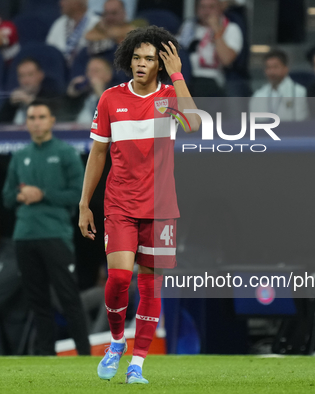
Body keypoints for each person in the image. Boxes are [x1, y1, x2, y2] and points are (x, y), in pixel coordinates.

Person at [78, 25, 200, 384]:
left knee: (149, 288)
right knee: (117, 278)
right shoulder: (110, 99)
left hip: (161, 207)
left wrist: (178, 75)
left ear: (160, 64)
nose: (141, 64)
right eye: (136, 57)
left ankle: (138, 364)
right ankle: (117, 342)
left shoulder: (169, 97)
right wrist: (85, 203)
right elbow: (98, 153)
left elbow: (193, 123)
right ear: (128, 59)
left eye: (149, 58)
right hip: (119, 204)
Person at [2, 99, 90, 356]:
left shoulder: (65, 153)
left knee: (68, 297)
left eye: (41, 117)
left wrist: (42, 194)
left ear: (52, 120)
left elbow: (78, 194)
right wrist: (21, 195)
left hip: (55, 234)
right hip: (24, 235)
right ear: (26, 122)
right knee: (36, 300)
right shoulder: (20, 156)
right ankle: (45, 356)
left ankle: (85, 355)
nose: (36, 122)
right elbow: (7, 197)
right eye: (31, 117)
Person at [177, 0, 243, 96]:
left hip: (214, 81)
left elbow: (227, 60)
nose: (206, 11)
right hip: (186, 77)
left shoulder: (230, 28)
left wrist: (216, 31)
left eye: (211, 7)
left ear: (220, 9)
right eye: (203, 7)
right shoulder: (188, 27)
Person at [0, 58, 61, 124]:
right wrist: (10, 105)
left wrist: (31, 102)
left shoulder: (51, 95)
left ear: (41, 75)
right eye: (22, 76)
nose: (26, 81)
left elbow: (58, 118)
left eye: (30, 75)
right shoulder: (14, 100)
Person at [250, 49, 308, 122]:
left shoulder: (299, 93)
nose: (271, 72)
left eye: (275, 67)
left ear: (286, 68)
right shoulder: (258, 95)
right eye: (268, 68)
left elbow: (302, 123)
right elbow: (253, 123)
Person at [46, 0, 100, 66]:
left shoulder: (97, 24)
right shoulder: (59, 23)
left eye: (64, 0)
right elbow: (49, 52)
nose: (60, 3)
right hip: (59, 71)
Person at [68, 57, 115, 124]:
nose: (91, 75)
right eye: (89, 70)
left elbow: (114, 115)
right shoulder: (82, 91)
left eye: (96, 71)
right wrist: (72, 91)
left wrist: (100, 92)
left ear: (108, 75)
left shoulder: (116, 92)